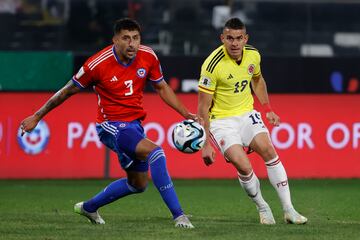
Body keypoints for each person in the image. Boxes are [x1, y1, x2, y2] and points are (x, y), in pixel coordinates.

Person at [20, 18, 196, 229]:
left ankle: (89, 207)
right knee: (156, 152)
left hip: (134, 125)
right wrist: (37, 116)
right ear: (115, 40)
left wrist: (186, 112)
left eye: (136, 38)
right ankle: (179, 216)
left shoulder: (148, 56)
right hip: (110, 126)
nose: (132, 44)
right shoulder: (97, 64)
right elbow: (66, 91)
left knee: (137, 184)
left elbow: (162, 87)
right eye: (126, 38)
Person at [197, 18, 307, 225]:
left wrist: (268, 109)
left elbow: (257, 79)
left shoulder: (253, 54)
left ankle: (289, 210)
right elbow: (202, 108)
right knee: (244, 166)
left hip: (247, 114)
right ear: (222, 38)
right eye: (229, 38)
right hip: (221, 122)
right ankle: (263, 207)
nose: (235, 43)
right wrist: (205, 144)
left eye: (239, 38)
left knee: (269, 150)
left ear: (246, 38)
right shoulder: (212, 65)